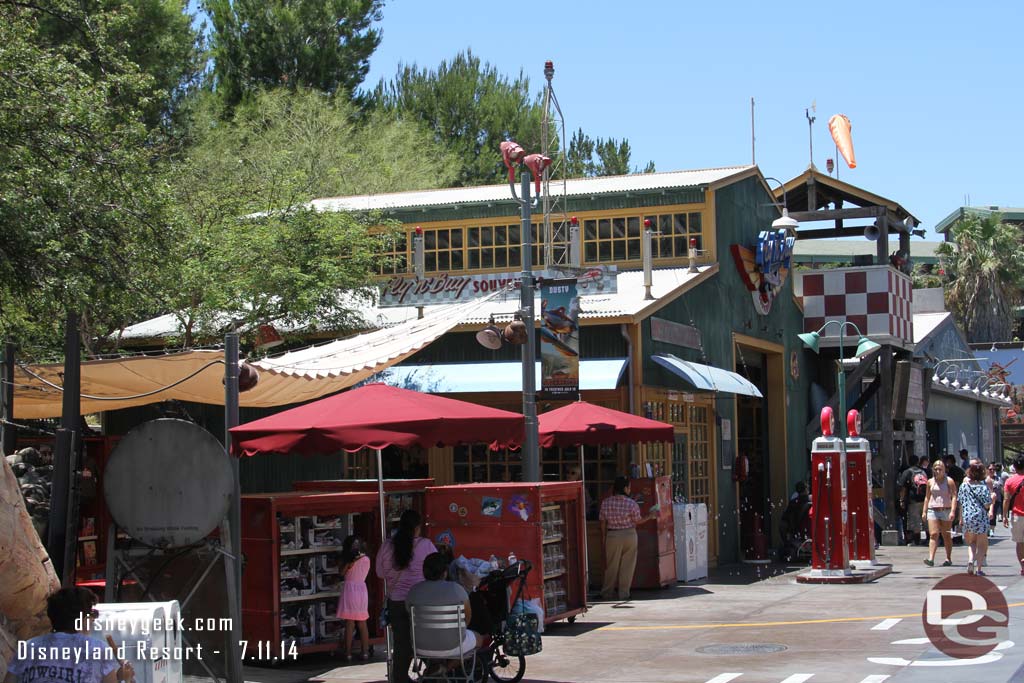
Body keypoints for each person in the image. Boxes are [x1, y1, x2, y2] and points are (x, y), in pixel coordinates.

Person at [7, 587, 130, 683]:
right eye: (91, 616)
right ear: (83, 618)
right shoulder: (98, 649)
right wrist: (124, 679)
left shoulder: (29, 646)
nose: (92, 622)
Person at [376, 510, 437, 683]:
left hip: (396, 602)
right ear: (417, 527)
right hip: (420, 601)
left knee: (401, 643)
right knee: (425, 639)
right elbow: (437, 569)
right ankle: (435, 669)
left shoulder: (386, 546)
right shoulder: (426, 545)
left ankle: (400, 677)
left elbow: (380, 573)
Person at [406, 553, 482, 665]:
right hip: (453, 646)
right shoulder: (457, 589)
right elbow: (467, 617)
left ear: (424, 571)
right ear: (445, 572)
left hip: (420, 647)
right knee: (479, 639)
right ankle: (446, 668)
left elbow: (409, 616)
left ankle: (435, 667)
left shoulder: (413, 591)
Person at [599, 476, 656, 601]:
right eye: (629, 487)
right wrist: (650, 516)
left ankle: (607, 592)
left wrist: (604, 538)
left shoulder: (606, 502)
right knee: (628, 565)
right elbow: (638, 521)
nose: (630, 489)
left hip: (612, 535)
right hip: (629, 534)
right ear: (625, 488)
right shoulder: (632, 503)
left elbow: (603, 522)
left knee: (611, 565)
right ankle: (624, 593)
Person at [337, 535, 371, 661]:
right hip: (362, 590)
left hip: (349, 590)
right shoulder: (366, 559)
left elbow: (341, 573)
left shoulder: (346, 559)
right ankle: (365, 652)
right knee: (362, 622)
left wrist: (349, 563)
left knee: (350, 622)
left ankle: (348, 652)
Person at [959, 463, 993, 575]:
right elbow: (987, 505)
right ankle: (978, 569)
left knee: (971, 542)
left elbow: (961, 502)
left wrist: (961, 518)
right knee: (982, 544)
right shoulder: (983, 488)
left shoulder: (964, 486)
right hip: (980, 516)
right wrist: (992, 499)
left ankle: (970, 560)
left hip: (967, 516)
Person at [922, 459, 957, 567]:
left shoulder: (949, 481)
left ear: (944, 470)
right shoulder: (930, 482)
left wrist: (952, 511)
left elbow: (954, 496)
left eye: (940, 469)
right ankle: (931, 558)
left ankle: (948, 558)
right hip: (933, 509)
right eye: (936, 469)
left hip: (945, 509)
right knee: (933, 534)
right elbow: (927, 497)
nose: (937, 471)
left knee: (946, 535)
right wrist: (924, 511)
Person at [897, 455, 928, 546]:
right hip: (924, 499)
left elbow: (903, 488)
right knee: (925, 520)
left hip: (913, 500)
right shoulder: (923, 472)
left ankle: (916, 541)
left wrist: (901, 500)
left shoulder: (907, 472)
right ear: (918, 462)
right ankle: (928, 539)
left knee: (915, 521)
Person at [1003, 455, 1024, 576]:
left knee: (1020, 542)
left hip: (1017, 516)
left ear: (1014, 467)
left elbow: (1006, 500)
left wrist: (1004, 515)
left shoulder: (1009, 481)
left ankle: (1023, 567)